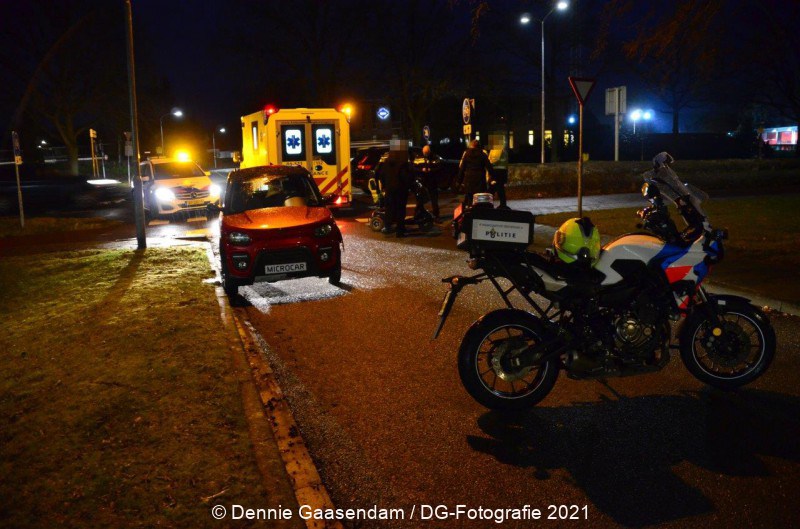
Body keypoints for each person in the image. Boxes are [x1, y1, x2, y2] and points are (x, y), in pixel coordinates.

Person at [376, 140, 411, 237]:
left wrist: (384, 186)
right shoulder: (402, 163)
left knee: (390, 208)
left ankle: (388, 226)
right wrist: (408, 185)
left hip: (389, 190)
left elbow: (381, 175)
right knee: (400, 210)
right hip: (400, 190)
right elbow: (405, 177)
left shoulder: (386, 163)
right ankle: (400, 230)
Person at [456, 139, 493, 207]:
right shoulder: (483, 155)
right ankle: (479, 214)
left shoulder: (466, 154)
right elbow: (489, 167)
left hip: (469, 180)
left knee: (470, 199)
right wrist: (493, 177)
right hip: (480, 180)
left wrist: (459, 181)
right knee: (480, 200)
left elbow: (462, 168)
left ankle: (471, 212)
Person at [414, 144, 440, 220]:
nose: (426, 154)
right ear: (423, 151)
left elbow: (439, 167)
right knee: (420, 199)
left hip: (432, 181)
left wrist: (431, 170)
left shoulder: (434, 157)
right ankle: (418, 214)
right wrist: (421, 170)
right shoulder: (418, 157)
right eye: (425, 153)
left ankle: (436, 215)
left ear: (429, 152)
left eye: (427, 153)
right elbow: (414, 168)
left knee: (434, 199)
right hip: (422, 180)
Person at [488, 137, 509, 209]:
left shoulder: (496, 150)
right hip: (502, 172)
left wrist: (488, 165)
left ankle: (488, 204)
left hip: (496, 172)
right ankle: (503, 204)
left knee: (492, 189)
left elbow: (493, 161)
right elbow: (506, 164)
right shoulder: (504, 151)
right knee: (499, 189)